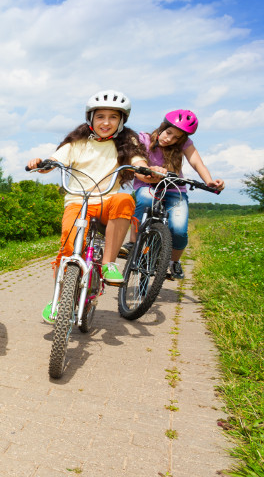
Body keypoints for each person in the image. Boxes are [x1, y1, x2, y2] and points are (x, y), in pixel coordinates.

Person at [26, 90, 153, 321]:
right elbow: (54, 161)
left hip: (108, 200)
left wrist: (148, 170)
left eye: (113, 117)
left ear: (122, 121)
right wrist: (41, 163)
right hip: (78, 201)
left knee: (125, 199)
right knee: (67, 250)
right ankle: (59, 298)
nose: (106, 122)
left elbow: (138, 162)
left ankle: (108, 265)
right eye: (100, 116)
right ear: (91, 118)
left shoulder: (127, 142)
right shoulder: (76, 142)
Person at [125, 109, 224, 280]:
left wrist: (209, 181)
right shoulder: (144, 138)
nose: (169, 139)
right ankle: (133, 243)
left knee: (178, 230)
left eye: (176, 137)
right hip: (149, 185)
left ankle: (174, 262)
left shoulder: (184, 145)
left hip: (174, 188)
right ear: (162, 127)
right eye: (168, 132)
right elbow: (136, 160)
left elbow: (196, 162)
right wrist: (149, 171)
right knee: (145, 201)